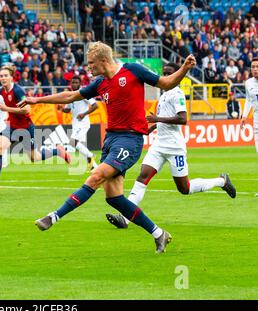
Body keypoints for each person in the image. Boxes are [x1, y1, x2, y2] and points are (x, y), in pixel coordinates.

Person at [17, 42, 197, 253]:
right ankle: (159, 234)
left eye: (91, 63)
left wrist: (184, 69)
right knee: (114, 198)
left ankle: (53, 216)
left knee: (95, 177)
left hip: (130, 141)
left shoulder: (133, 70)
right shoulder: (100, 83)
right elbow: (70, 96)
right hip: (111, 140)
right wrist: (36, 99)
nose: (89, 67)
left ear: (103, 61)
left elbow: (166, 83)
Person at [106, 63, 237, 229]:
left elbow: (183, 119)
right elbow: (162, 119)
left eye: (169, 73)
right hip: (159, 145)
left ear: (176, 75)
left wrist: (157, 120)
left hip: (175, 147)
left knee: (185, 188)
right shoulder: (164, 95)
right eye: (164, 73)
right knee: (142, 177)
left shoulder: (177, 93)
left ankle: (221, 181)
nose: (166, 76)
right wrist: (148, 129)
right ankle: (125, 218)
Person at [0, 66, 72, 193]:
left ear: (11, 77)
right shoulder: (2, 92)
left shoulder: (18, 91)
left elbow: (27, 109)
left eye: (5, 75)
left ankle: (58, 151)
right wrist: (8, 116)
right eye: (1, 76)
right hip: (12, 127)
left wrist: (7, 110)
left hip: (26, 128)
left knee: (34, 158)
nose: (3, 78)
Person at [58, 76, 99, 171]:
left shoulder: (84, 93)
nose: (74, 84)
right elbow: (68, 109)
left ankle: (91, 155)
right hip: (75, 124)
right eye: (72, 82)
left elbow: (95, 105)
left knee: (73, 142)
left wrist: (84, 114)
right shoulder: (71, 95)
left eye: (76, 82)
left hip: (83, 123)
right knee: (79, 146)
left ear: (80, 84)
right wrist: (62, 109)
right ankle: (94, 168)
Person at [241, 57, 258, 154]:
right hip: (256, 123)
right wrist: (244, 116)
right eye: (253, 67)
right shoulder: (248, 83)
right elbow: (248, 99)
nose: (255, 69)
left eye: (257, 67)